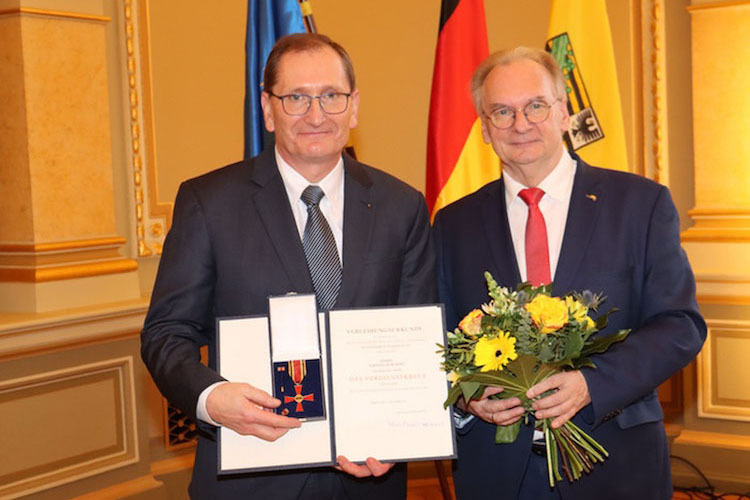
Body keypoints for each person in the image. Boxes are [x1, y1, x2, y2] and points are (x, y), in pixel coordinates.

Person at [141, 33, 436, 499]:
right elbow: (165, 334)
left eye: (331, 97)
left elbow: (420, 338)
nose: (316, 115)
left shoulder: (403, 206)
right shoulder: (209, 202)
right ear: (267, 108)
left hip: (369, 478)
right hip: (251, 475)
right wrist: (212, 399)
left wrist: (401, 425)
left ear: (353, 106)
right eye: (296, 98)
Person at [432, 46, 706, 500]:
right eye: (502, 111)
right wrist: (467, 394)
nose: (520, 124)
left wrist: (590, 384)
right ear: (483, 128)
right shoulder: (453, 224)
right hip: (498, 472)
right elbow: (437, 339)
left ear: (563, 113)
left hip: (615, 461)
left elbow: (680, 326)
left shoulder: (640, 205)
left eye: (536, 106)